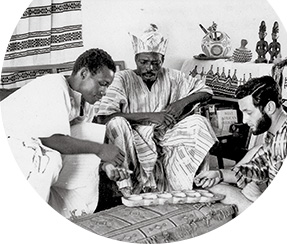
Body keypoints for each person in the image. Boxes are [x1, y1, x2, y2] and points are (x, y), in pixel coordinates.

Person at [1, 48, 125, 218]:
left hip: (33, 143)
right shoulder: (54, 85)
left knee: (87, 133)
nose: (104, 92)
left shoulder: (86, 103)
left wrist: (105, 165)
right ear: (83, 73)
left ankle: (66, 215)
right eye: (102, 84)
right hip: (10, 142)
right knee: (49, 160)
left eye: (108, 86)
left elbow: (80, 143)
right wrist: (100, 149)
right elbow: (53, 140)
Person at [96, 24, 217, 197]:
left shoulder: (172, 76)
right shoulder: (122, 78)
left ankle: (189, 187)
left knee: (199, 122)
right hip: (134, 137)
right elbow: (103, 118)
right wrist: (152, 116)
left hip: (166, 135)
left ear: (162, 60)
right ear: (136, 59)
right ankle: (127, 190)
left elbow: (206, 91)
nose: (150, 68)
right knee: (116, 123)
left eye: (155, 63)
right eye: (143, 62)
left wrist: (182, 103)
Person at [194, 75, 287, 213]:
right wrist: (219, 174)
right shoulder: (275, 131)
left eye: (248, 113)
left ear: (270, 107)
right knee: (216, 188)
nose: (244, 120)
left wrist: (258, 197)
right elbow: (260, 166)